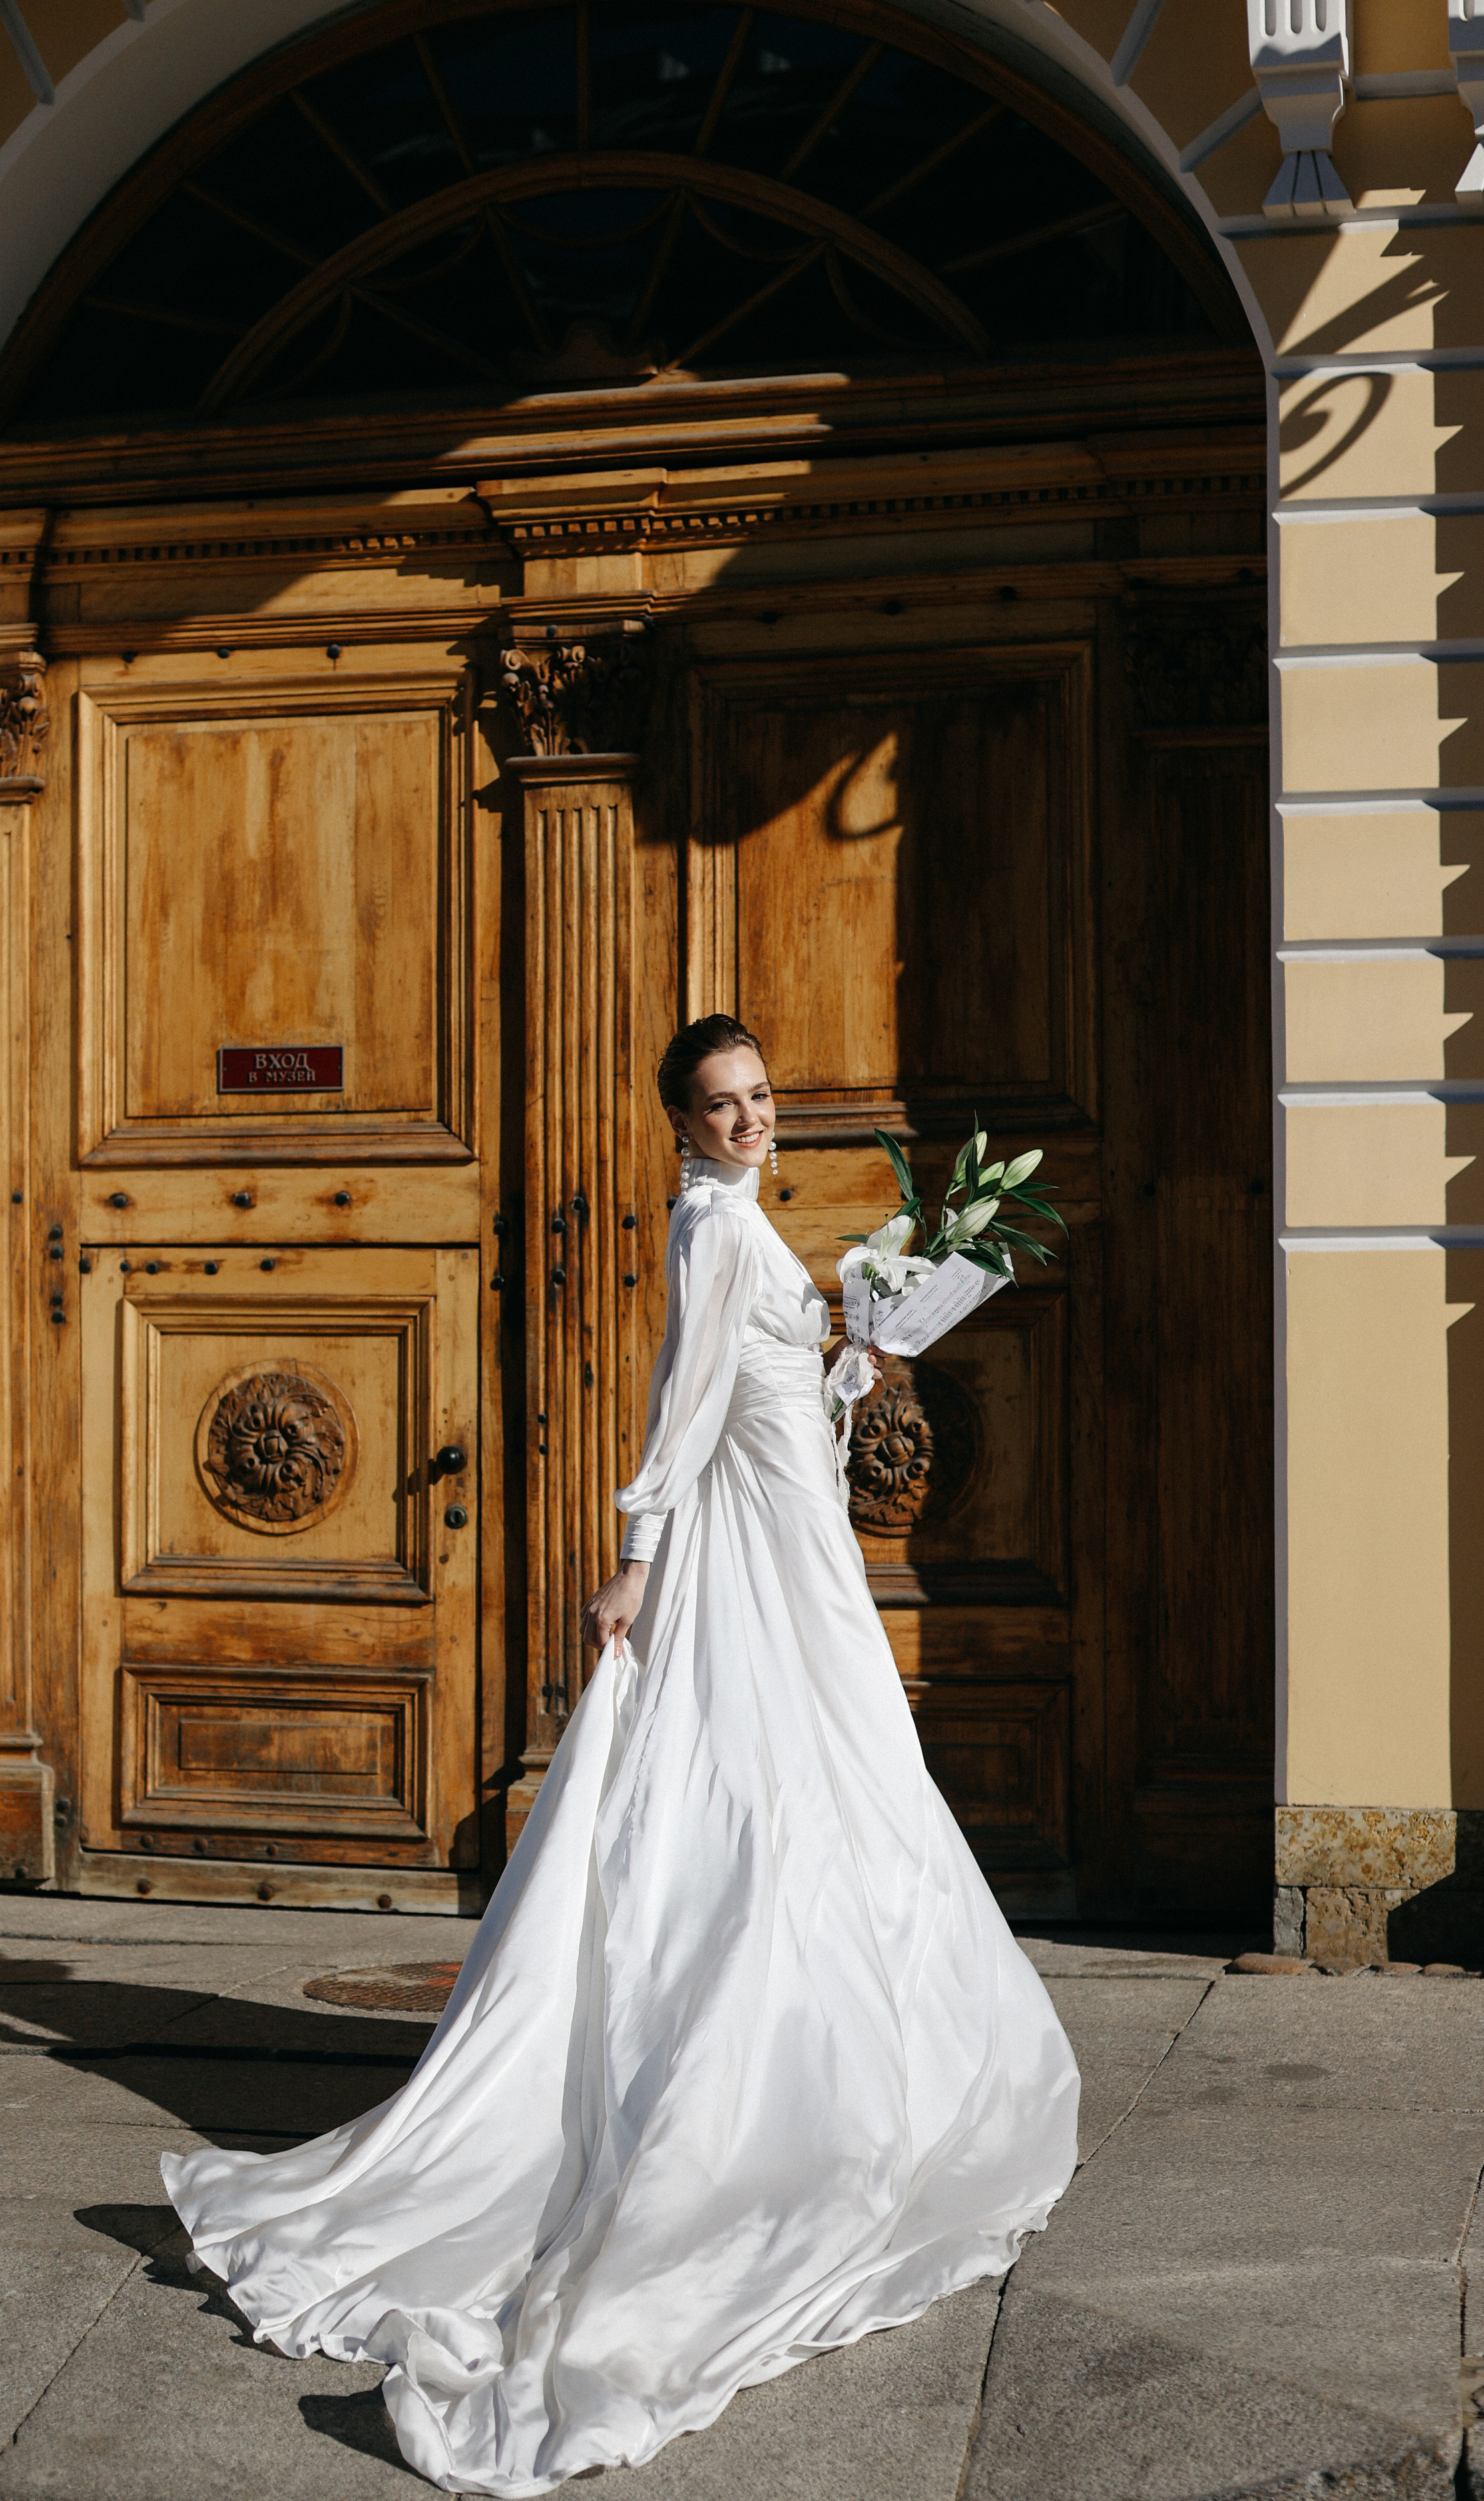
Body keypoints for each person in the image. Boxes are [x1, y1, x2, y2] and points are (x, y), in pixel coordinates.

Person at [162, 1014, 1079, 2496]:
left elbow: (773, 1393)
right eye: (720, 1107)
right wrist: (639, 1557)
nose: (748, 1123)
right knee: (772, 1795)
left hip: (793, 1541)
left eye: (761, 1099)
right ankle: (765, 2077)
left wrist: (856, 1353)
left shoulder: (747, 1223)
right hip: (748, 1561)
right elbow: (684, 1404)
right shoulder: (710, 1230)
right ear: (679, 1123)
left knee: (828, 1787)